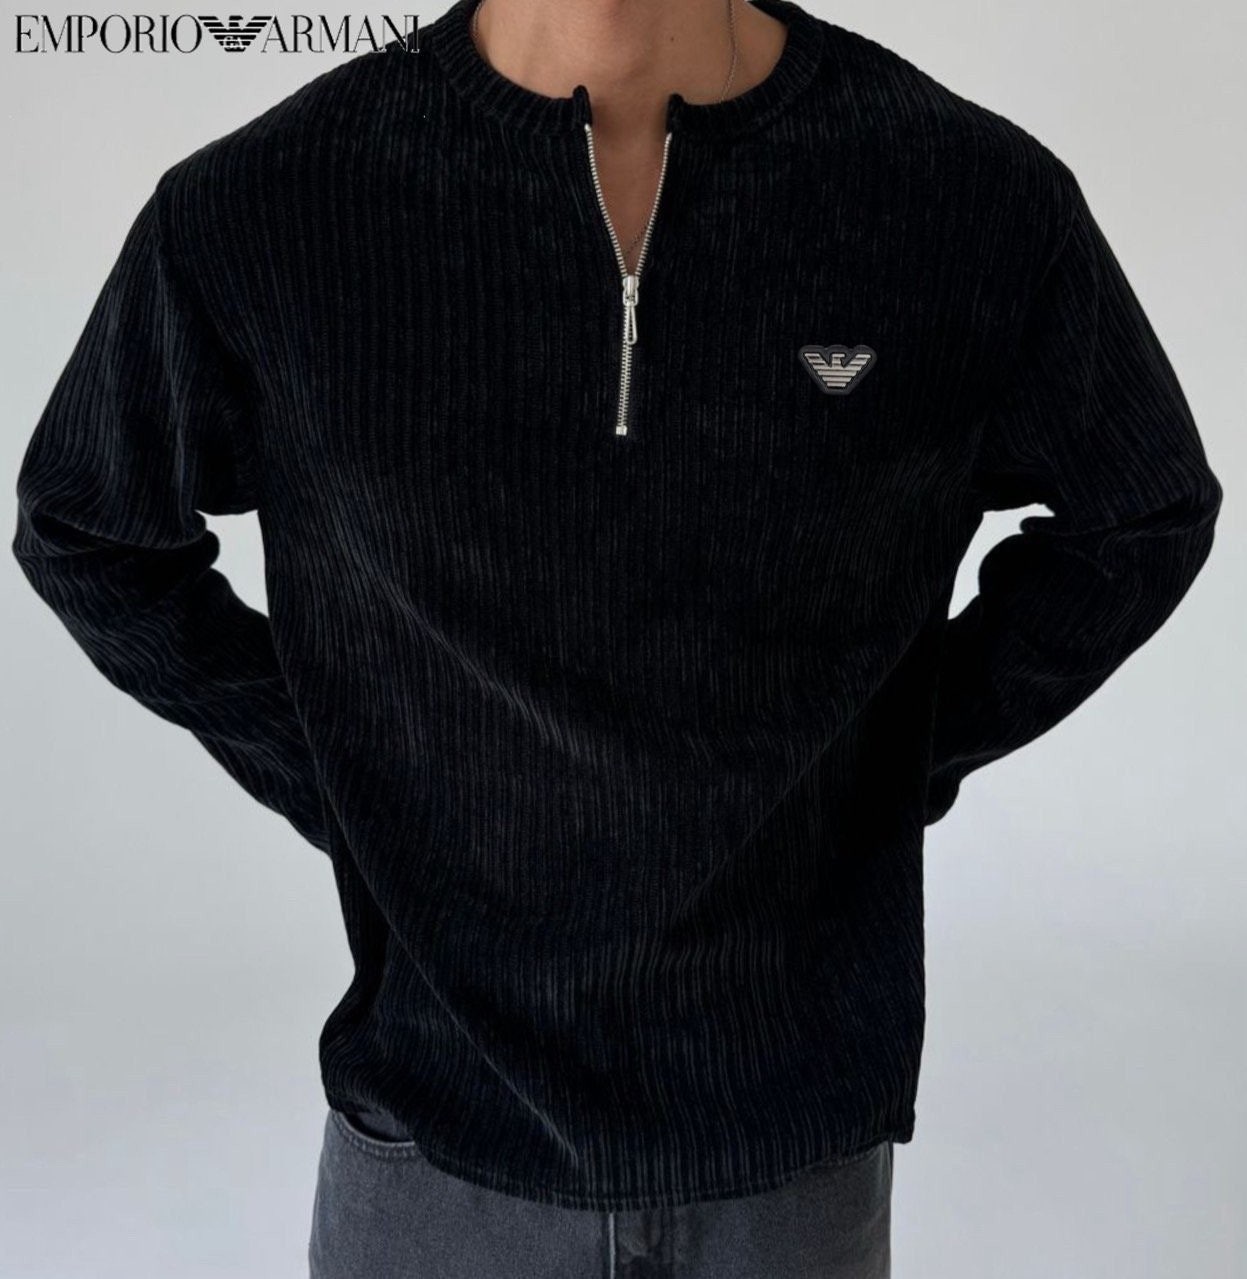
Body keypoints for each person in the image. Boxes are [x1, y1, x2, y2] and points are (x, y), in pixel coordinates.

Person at [11, 0, 1222, 1275]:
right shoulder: (264, 207)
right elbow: (90, 529)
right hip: (435, 1145)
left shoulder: (966, 196)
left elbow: (1138, 514)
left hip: (788, 1149)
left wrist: (874, 764)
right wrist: (353, 775)